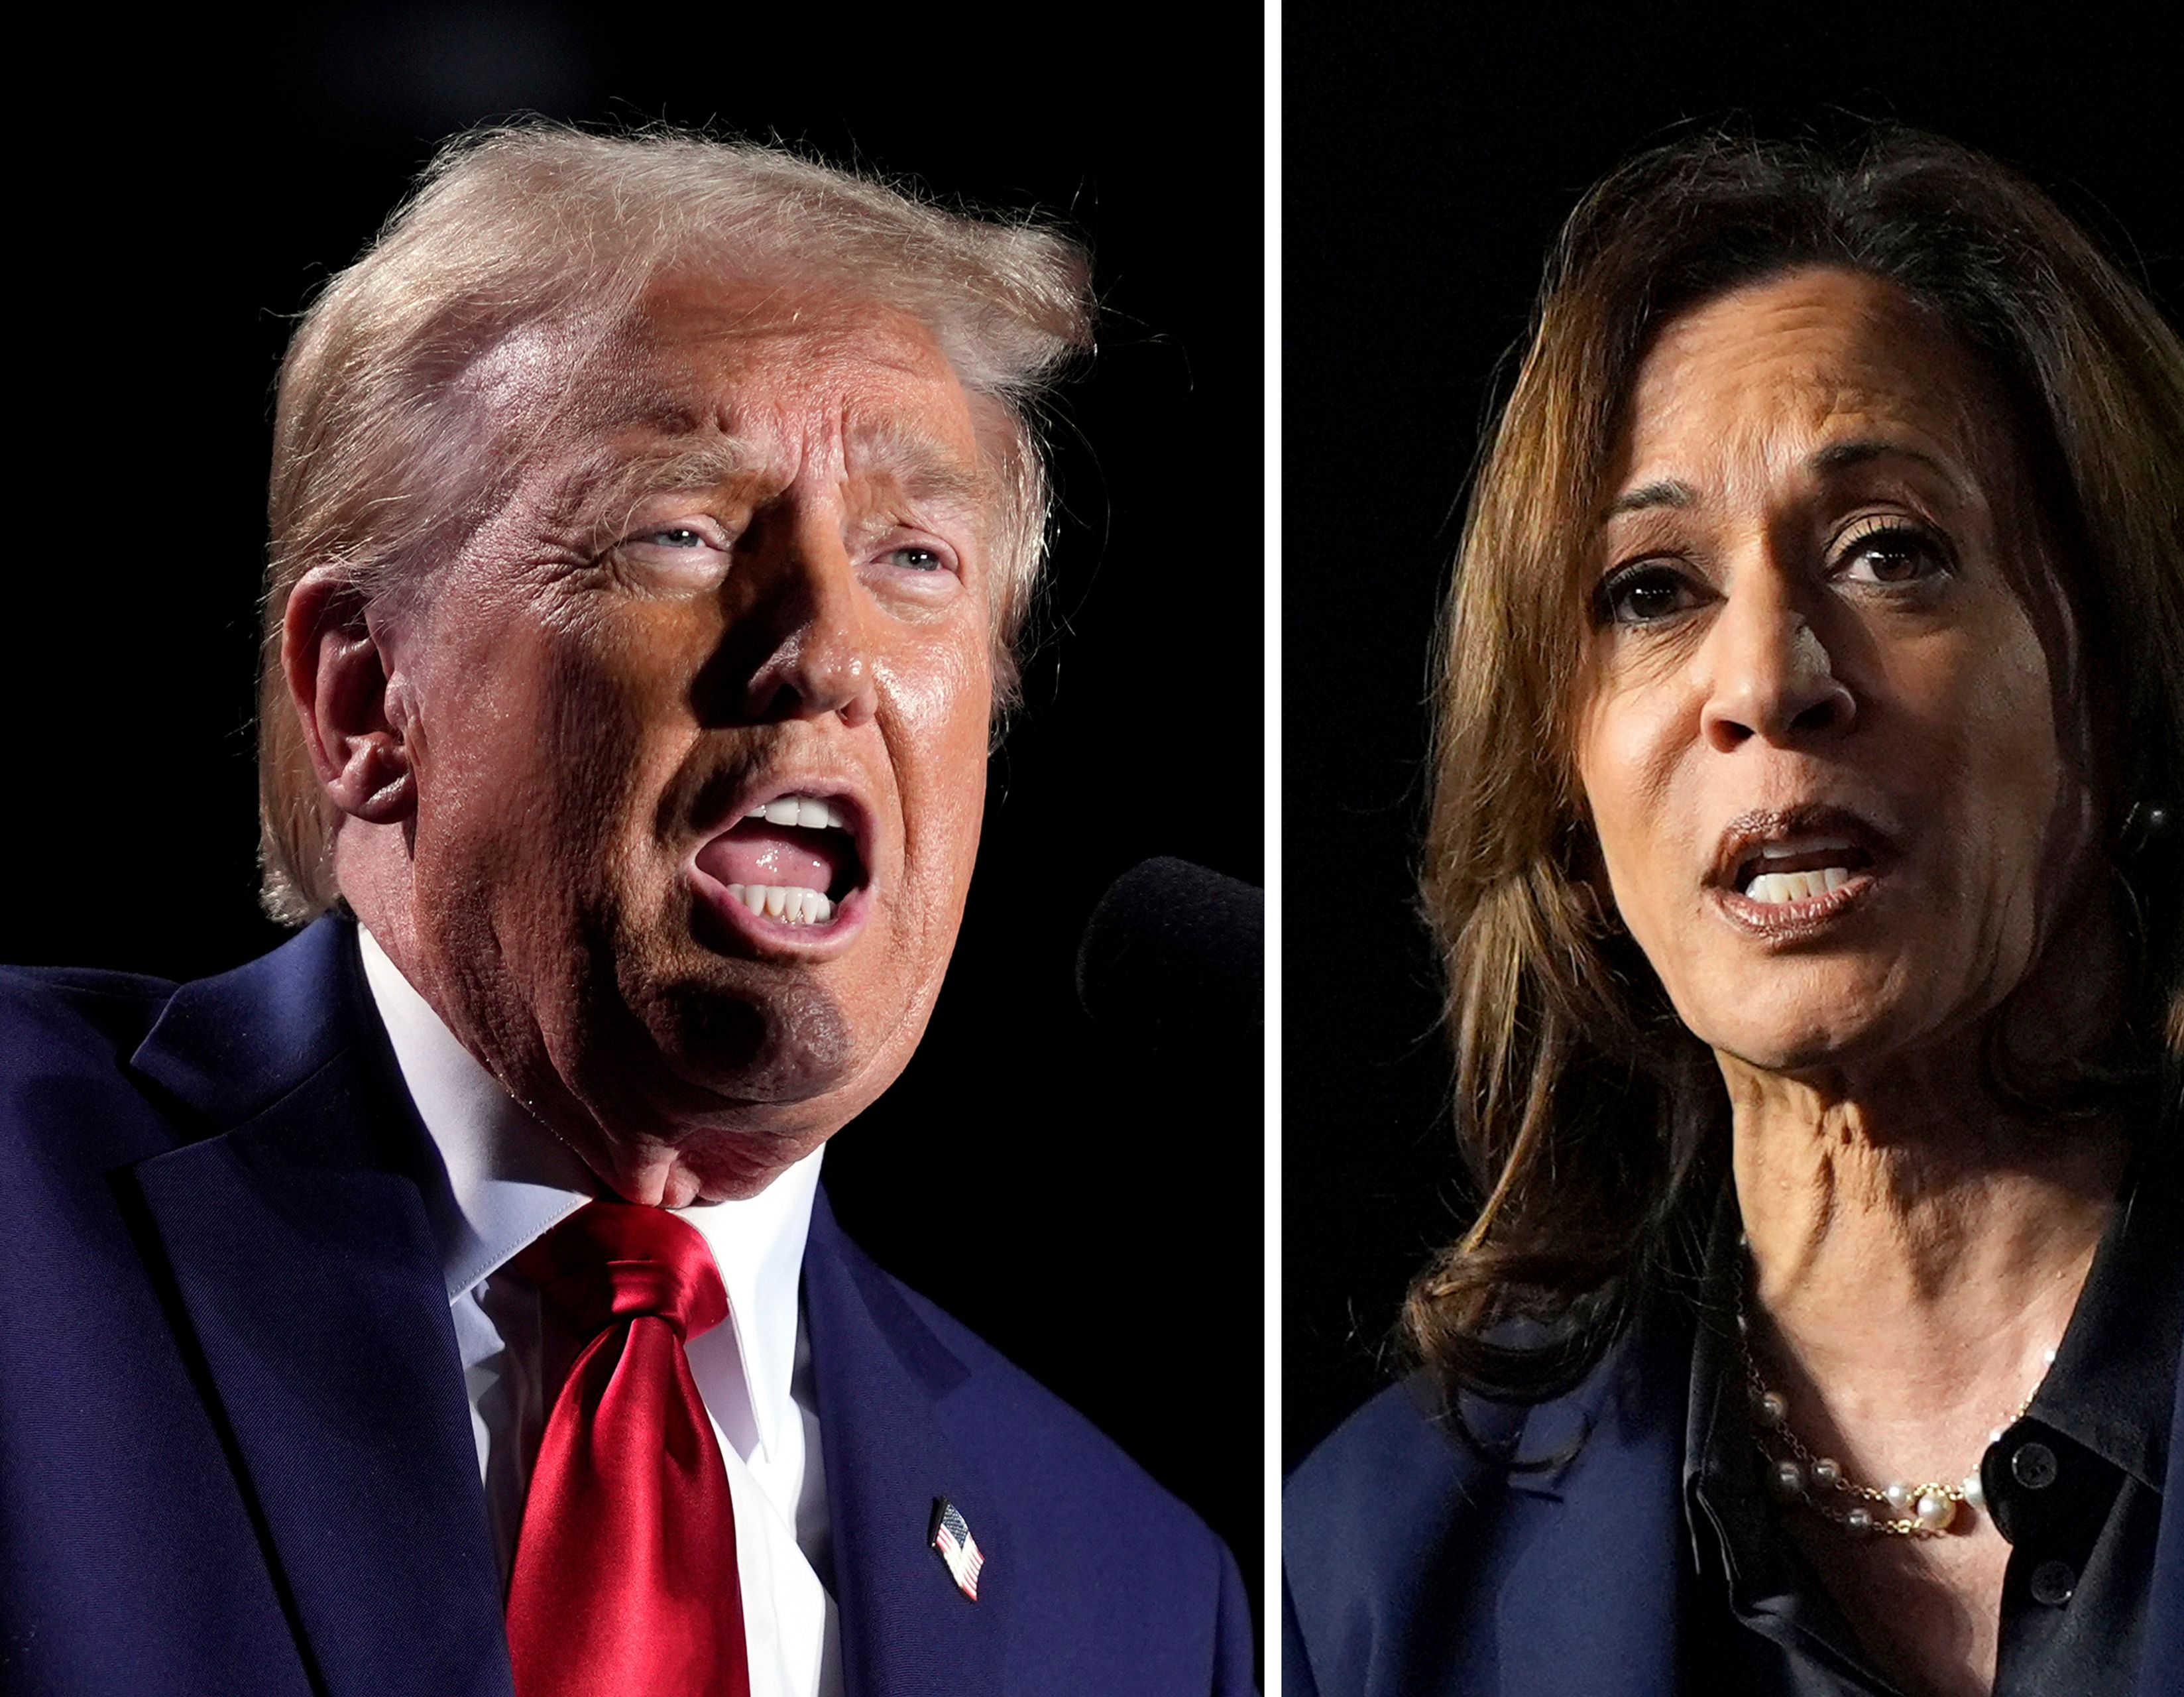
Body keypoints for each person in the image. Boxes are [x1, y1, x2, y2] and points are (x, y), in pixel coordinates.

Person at [1283, 129, 2184, 1697]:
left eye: (1891, 553)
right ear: (1564, 785)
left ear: (2135, 685)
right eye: (1651, 590)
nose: (1766, 681)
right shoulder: (1363, 1573)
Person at [0, 127, 1252, 1697]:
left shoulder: (1134, 1593)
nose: (827, 651)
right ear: (366, 695)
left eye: (915, 556)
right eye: (685, 530)